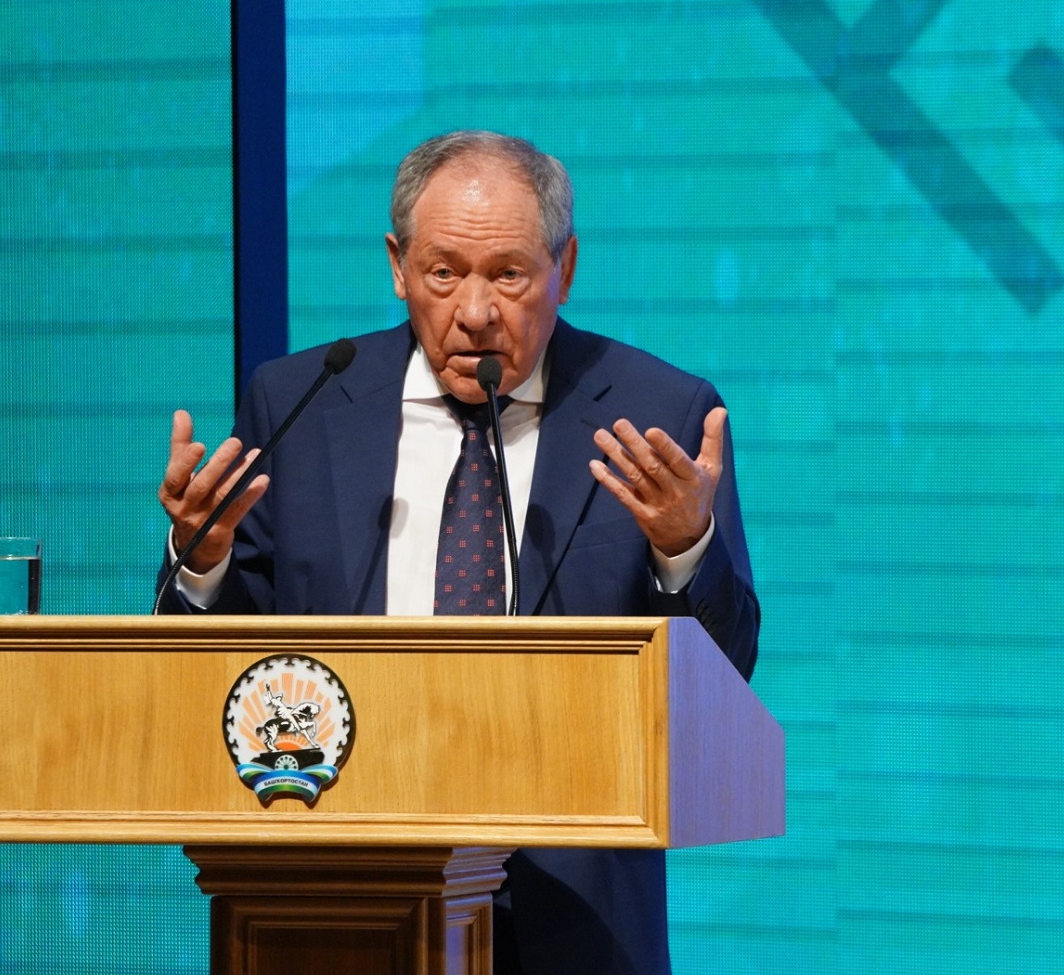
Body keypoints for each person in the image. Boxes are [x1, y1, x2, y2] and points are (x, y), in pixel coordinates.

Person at [156, 130, 758, 975]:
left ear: (565, 268)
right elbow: (217, 676)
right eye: (444, 273)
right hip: (331, 901)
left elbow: (724, 684)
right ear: (398, 267)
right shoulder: (300, 403)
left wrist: (686, 547)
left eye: (508, 275)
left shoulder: (660, 413)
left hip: (574, 923)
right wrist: (201, 562)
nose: (475, 311)